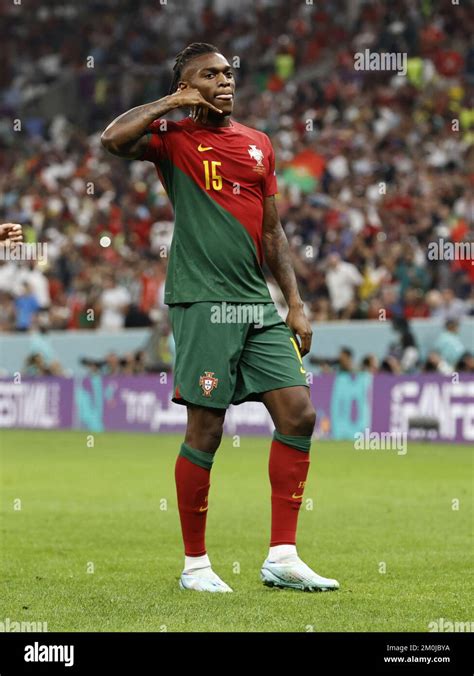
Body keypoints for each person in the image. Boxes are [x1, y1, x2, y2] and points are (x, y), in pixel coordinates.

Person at [101, 43, 339, 593]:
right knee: (207, 428)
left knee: (299, 415)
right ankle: (195, 566)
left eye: (228, 72)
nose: (225, 82)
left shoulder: (258, 144)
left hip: (256, 302)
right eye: (209, 75)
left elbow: (273, 232)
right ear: (187, 85)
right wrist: (173, 102)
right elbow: (112, 139)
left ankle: (282, 556)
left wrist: (296, 305)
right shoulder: (173, 140)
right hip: (203, 300)